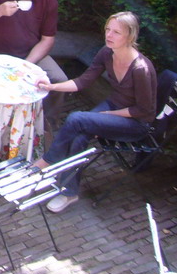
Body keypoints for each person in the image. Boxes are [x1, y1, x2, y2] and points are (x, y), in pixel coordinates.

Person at [31, 11, 157, 212]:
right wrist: (51, 87)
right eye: (108, 29)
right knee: (78, 135)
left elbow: (145, 110)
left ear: (130, 36)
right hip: (113, 106)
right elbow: (83, 81)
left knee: (76, 118)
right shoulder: (106, 53)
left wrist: (106, 117)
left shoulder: (141, 68)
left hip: (135, 123)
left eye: (116, 32)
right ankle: (69, 193)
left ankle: (47, 161)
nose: (109, 35)